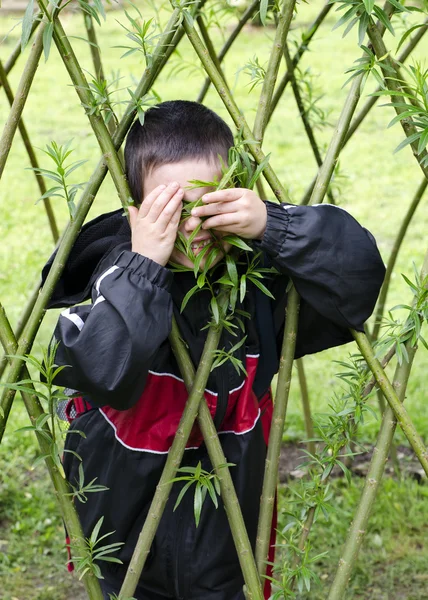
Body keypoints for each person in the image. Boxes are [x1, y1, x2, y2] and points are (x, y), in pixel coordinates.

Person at [42, 100, 385, 600]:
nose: (191, 228)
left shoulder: (258, 284)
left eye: (208, 204)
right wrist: (144, 268)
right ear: (135, 211)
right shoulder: (116, 277)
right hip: (124, 529)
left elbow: (357, 282)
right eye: (170, 209)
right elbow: (97, 369)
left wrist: (274, 225)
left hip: (230, 525)